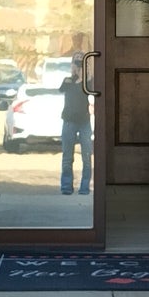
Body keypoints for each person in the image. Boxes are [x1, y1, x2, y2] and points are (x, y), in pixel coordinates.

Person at [59, 55, 92, 195]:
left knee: (86, 155)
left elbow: (92, 92)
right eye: (76, 64)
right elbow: (61, 89)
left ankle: (84, 187)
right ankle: (66, 186)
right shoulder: (68, 81)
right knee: (67, 156)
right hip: (69, 121)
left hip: (84, 121)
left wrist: (86, 77)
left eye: (80, 64)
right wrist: (74, 76)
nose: (78, 67)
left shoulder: (89, 82)